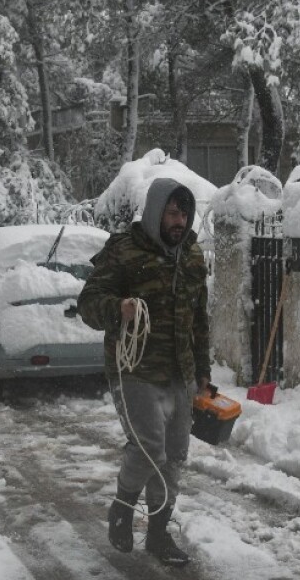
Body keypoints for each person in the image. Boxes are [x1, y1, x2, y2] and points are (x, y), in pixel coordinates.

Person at [78, 177, 211, 567]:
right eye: (172, 211)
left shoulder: (191, 255)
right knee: (149, 446)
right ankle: (122, 508)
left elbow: (199, 318)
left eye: (184, 213)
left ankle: (158, 533)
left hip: (179, 372)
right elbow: (88, 303)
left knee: (173, 455)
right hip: (133, 368)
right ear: (156, 212)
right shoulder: (124, 251)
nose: (179, 220)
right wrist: (118, 308)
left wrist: (202, 371)